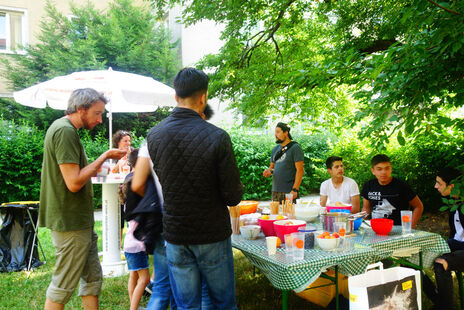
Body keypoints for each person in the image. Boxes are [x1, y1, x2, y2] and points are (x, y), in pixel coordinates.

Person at [146, 67, 244, 310]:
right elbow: (233, 196)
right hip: (211, 233)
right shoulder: (218, 137)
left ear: (176, 97)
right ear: (203, 97)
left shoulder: (154, 135)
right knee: (224, 304)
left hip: (176, 233)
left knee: (186, 306)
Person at [39, 88, 126, 310]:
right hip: (70, 222)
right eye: (97, 114)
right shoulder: (64, 131)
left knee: (92, 279)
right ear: (80, 109)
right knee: (63, 285)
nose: (99, 120)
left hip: (80, 221)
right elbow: (74, 182)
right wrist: (105, 156)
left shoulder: (67, 130)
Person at [131, 143, 176, 310]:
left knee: (162, 287)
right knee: (189, 288)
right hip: (187, 221)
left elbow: (136, 185)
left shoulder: (152, 141)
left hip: (161, 219)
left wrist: (155, 200)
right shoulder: (199, 136)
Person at [423, 167, 463, 309]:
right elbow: (455, 235)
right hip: (457, 244)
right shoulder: (454, 203)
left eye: (439, 183)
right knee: (416, 256)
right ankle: (440, 303)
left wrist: (449, 257)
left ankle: (445, 307)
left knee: (441, 263)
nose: (435, 186)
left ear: (451, 186)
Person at [120, 149, 151, 310]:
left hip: (129, 243)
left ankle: (134, 305)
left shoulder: (127, 180)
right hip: (137, 244)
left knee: (134, 275)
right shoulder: (138, 185)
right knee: (144, 279)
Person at [361, 154, 423, 228]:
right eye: (379, 169)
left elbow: (418, 206)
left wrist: (410, 227)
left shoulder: (401, 186)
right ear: (373, 171)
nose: (384, 172)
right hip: (375, 228)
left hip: (397, 230)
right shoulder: (369, 185)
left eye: (387, 168)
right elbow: (366, 208)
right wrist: (360, 223)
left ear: (391, 169)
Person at [262, 122, 304, 202]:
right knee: (276, 214)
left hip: (289, 191)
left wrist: (295, 189)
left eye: (278, 132)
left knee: (289, 214)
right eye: (275, 132)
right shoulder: (275, 149)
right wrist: (268, 171)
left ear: (286, 133)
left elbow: (300, 170)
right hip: (275, 190)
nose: (275, 135)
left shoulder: (295, 148)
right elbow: (272, 167)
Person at [111, 130, 133, 243]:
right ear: (118, 142)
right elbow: (109, 172)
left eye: (129, 141)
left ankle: (132, 241)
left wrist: (130, 158)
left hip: (131, 188)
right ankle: (118, 243)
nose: (128, 143)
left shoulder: (134, 153)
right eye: (125, 141)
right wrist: (118, 163)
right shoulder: (113, 154)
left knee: (131, 216)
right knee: (118, 217)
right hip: (117, 189)